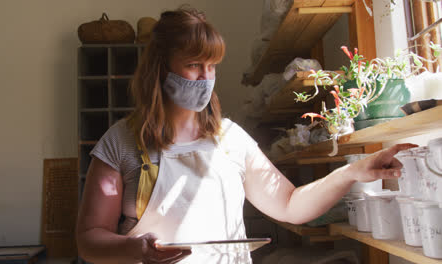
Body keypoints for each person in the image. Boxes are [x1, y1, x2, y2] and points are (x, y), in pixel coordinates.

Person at [75, 6, 416, 264]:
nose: (206, 77)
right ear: (160, 68)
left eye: (212, 66)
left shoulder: (230, 139)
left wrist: (351, 172)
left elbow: (289, 205)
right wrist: (134, 249)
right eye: (194, 65)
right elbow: (89, 240)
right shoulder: (121, 143)